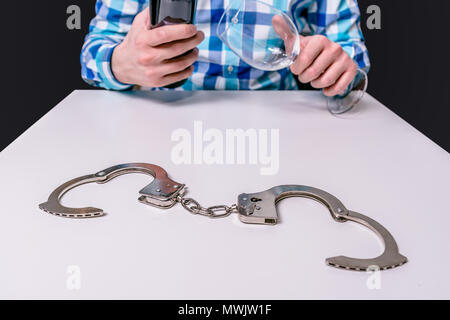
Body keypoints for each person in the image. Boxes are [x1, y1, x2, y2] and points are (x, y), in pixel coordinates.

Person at [81, 0, 370, 95]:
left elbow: (350, 52)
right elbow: (94, 51)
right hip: (158, 127)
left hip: (277, 136)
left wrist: (338, 68)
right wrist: (120, 63)